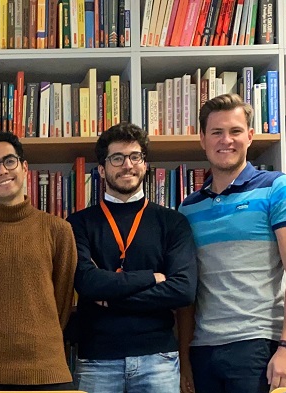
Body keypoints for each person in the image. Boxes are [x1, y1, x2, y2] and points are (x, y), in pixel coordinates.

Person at [178, 93, 286, 393]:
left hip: (258, 346)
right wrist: (185, 359)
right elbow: (188, 290)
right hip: (203, 350)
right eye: (217, 132)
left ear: (250, 136)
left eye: (235, 131)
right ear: (202, 139)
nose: (226, 140)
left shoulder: (280, 188)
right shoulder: (188, 208)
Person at [65, 122, 197, 393]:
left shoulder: (173, 222)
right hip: (96, 360)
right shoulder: (77, 224)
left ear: (145, 164)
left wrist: (109, 296)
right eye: (117, 158)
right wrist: (151, 277)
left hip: (158, 358)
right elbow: (87, 284)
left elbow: (183, 290)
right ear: (102, 169)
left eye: (135, 157)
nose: (127, 165)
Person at [0, 132, 77, 391]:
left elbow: (63, 301)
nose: (2, 171)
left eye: (9, 161)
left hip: (47, 370)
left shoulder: (58, 230)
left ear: (24, 167)